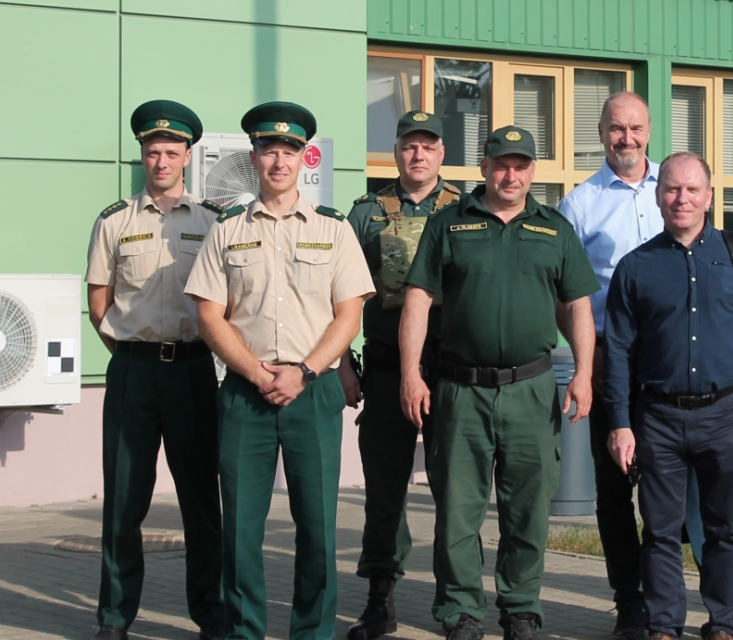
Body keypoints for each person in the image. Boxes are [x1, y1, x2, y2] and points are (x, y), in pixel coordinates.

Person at [400, 126, 599, 640]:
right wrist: (409, 374)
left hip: (531, 390)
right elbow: (418, 299)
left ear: (533, 171)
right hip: (460, 389)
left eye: (521, 165)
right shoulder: (450, 224)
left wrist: (584, 373)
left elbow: (577, 305)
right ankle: (461, 611)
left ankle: (520, 606)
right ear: (484, 168)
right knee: (458, 510)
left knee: (528, 507)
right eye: (501, 164)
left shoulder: (554, 229)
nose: (511, 175)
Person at [185, 102, 374, 640]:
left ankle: (312, 633)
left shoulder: (333, 230)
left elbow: (349, 313)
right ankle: (245, 631)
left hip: (313, 393)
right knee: (241, 531)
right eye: (269, 151)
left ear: (303, 158)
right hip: (246, 393)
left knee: (316, 528)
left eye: (289, 151)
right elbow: (208, 313)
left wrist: (306, 372)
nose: (278, 161)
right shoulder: (227, 231)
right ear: (254, 158)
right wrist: (253, 370)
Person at [602, 152, 733, 640]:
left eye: (691, 190)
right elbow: (617, 352)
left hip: (725, 413)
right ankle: (664, 625)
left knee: (723, 527)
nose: (681, 198)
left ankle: (724, 621)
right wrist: (620, 423)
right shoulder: (635, 268)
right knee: (659, 531)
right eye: (672, 190)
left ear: (709, 196)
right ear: (659, 197)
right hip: (657, 416)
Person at [86, 101, 227, 640]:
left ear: (188, 156)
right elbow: (99, 299)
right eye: (152, 152)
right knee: (123, 502)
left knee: (200, 502)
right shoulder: (115, 220)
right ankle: (115, 618)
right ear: (142, 157)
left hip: (193, 371)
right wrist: (127, 345)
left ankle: (211, 615)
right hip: (134, 375)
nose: (161, 161)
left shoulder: (213, 220)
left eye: (171, 152)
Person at [344, 110, 462, 640]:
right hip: (388, 372)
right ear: (396, 152)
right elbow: (337, 295)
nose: (419, 155)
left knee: (456, 492)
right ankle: (379, 600)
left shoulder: (466, 210)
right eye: (409, 146)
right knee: (385, 491)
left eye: (429, 147)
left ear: (442, 154)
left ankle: (457, 602)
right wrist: (344, 365)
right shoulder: (367, 214)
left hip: (452, 374)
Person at [556, 91, 659, 640]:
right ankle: (630, 603)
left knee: (669, 488)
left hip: (670, 365)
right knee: (615, 490)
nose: (627, 138)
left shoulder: (676, 187)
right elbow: (565, 295)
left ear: (649, 130)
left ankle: (666, 598)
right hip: (607, 362)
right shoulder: (580, 204)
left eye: (636, 128)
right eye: (616, 129)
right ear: (601, 134)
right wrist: (584, 363)